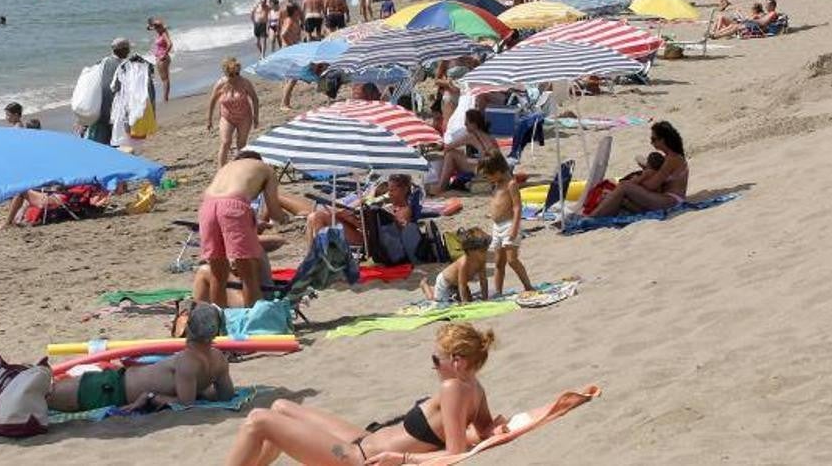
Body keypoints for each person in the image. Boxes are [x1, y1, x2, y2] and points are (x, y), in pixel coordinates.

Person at [225, 323, 500, 466]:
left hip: (357, 459)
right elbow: (484, 427)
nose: (432, 365)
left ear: (457, 361)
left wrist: (403, 459)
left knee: (259, 420)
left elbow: (455, 452)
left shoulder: (452, 388)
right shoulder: (475, 388)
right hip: (365, 441)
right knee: (281, 406)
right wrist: (495, 430)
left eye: (435, 358)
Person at [48, 303, 234, 413]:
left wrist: (153, 396)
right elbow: (226, 396)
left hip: (111, 390)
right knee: (45, 393)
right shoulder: (218, 359)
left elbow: (186, 405)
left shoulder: (187, 361)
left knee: (46, 395)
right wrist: (202, 391)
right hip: (112, 384)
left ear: (188, 329)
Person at [198, 152, 288, 308]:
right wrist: (284, 218)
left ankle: (220, 320)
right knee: (249, 274)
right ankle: (252, 321)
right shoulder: (266, 169)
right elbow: (274, 210)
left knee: (217, 274)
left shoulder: (226, 168)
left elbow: (218, 203)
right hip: (234, 206)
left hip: (207, 206)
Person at [278, 173, 416, 248]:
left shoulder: (404, 209)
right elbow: (356, 208)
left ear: (404, 190)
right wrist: (365, 199)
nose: (390, 193)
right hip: (360, 231)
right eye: (389, 190)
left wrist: (361, 221)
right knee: (315, 217)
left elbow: (395, 234)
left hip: (370, 240)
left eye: (393, 190)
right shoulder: (382, 202)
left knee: (331, 213)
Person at [589, 121, 688, 217]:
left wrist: (639, 179)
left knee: (624, 186)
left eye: (654, 139)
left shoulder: (672, 159)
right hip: (667, 199)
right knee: (623, 199)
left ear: (663, 140)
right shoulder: (671, 157)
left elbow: (651, 185)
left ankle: (592, 217)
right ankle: (599, 215)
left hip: (671, 201)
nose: (651, 142)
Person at [478, 153, 533, 297]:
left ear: (497, 171)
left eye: (488, 175)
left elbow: (517, 207)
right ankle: (498, 291)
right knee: (498, 262)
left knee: (512, 260)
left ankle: (528, 286)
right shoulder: (496, 184)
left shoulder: (511, 184)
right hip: (497, 226)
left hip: (509, 225)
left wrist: (514, 228)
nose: (487, 179)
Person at [433, 110, 503, 194]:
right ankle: (444, 184)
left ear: (474, 124)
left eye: (467, 124)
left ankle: (441, 186)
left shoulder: (471, 136)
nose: (465, 126)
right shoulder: (490, 137)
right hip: (495, 169)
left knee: (451, 155)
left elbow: (448, 147)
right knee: (458, 154)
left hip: (485, 170)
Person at [206, 57, 260, 167]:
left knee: (241, 144)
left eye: (237, 73)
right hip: (227, 117)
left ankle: (238, 167)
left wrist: (256, 117)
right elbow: (212, 101)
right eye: (231, 75)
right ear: (226, 73)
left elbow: (255, 99)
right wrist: (209, 119)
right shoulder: (220, 84)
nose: (235, 77)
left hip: (245, 116)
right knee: (225, 142)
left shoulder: (245, 82)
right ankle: (221, 170)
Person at [421, 228, 490, 304]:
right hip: (445, 281)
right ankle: (425, 286)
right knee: (437, 301)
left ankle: (436, 289)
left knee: (470, 299)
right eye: (482, 251)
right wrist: (464, 302)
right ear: (470, 251)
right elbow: (462, 285)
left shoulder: (481, 261)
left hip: (457, 283)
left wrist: (485, 298)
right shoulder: (464, 263)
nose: (485, 254)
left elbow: (483, 280)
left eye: (486, 250)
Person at [85, 38, 131, 145]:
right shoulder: (124, 66)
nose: (129, 52)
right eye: (127, 49)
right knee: (114, 140)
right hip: (114, 110)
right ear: (122, 50)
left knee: (99, 142)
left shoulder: (103, 61)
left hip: (99, 108)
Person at [148, 19, 173, 103]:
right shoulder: (160, 32)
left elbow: (170, 44)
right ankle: (165, 97)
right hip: (160, 57)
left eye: (157, 27)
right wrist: (151, 24)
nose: (155, 29)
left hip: (163, 58)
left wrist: (164, 54)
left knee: (165, 78)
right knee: (164, 78)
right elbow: (148, 28)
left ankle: (165, 98)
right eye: (155, 27)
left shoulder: (163, 34)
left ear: (161, 27)